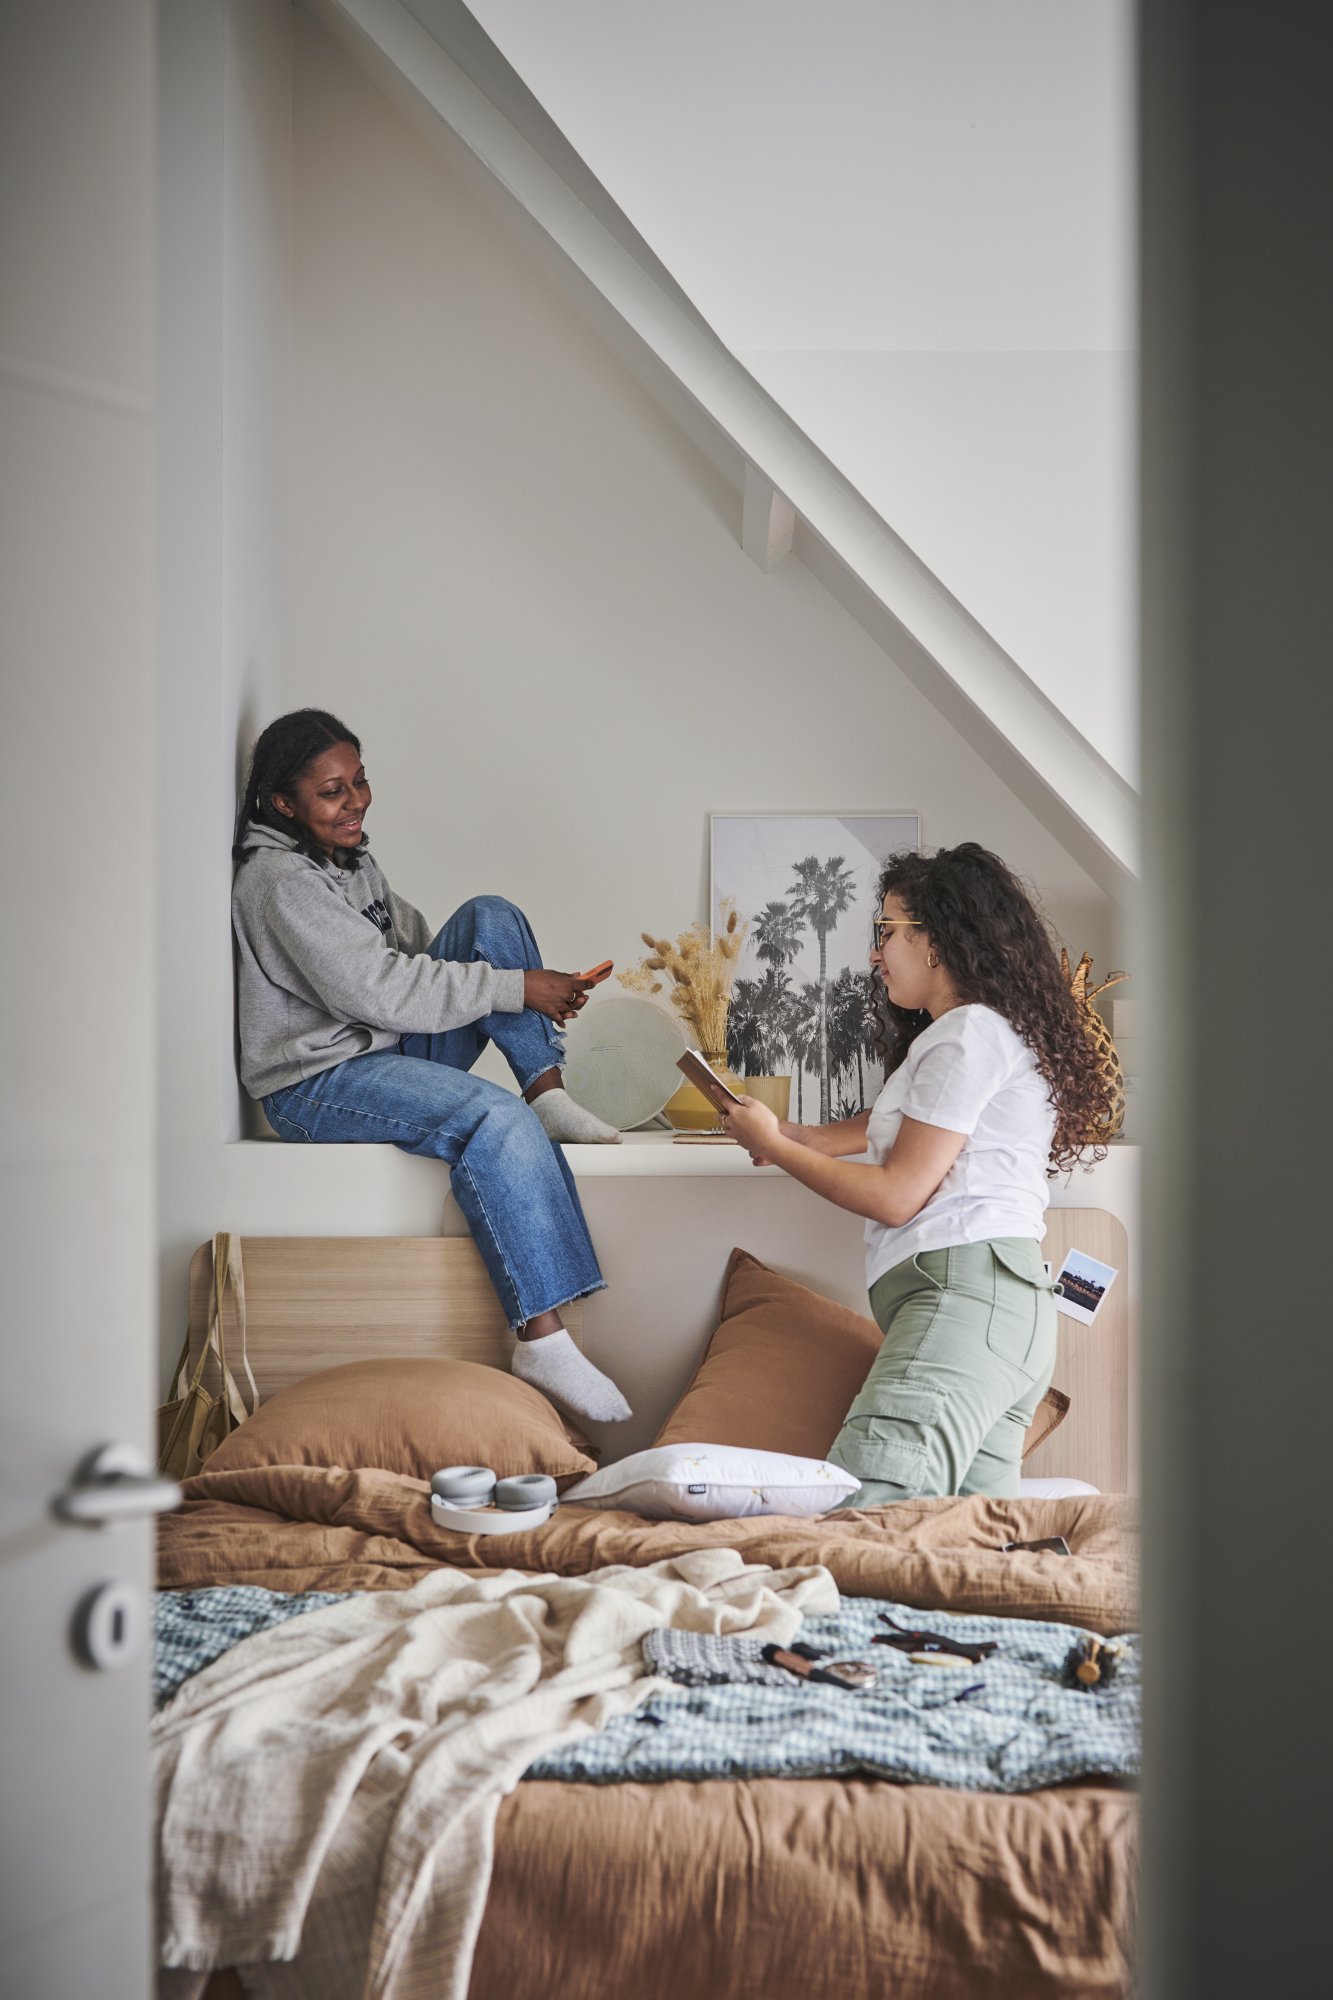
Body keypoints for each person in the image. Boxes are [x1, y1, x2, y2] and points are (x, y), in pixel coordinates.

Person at [231, 707, 631, 1424]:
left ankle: (547, 1092)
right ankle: (542, 1339)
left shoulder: (348, 860)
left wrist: (525, 981)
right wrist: (517, 989)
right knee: (491, 1115)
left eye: (359, 781)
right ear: (282, 803)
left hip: (379, 1046)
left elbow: (413, 951)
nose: (354, 801)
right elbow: (379, 989)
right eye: (331, 792)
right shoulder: (280, 882)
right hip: (317, 1082)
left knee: (490, 916)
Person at [720, 842, 1112, 1503]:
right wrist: (785, 1134)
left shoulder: (967, 1034)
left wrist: (779, 1150)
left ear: (935, 939)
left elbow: (898, 1195)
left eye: (887, 931)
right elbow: (893, 1126)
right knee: (962, 1540)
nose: (876, 953)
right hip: (1005, 1314)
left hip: (963, 1305)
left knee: (870, 1514)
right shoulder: (984, 1034)